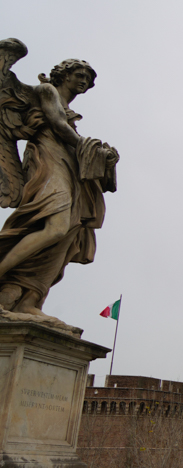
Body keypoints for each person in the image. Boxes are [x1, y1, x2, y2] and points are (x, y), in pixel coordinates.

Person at [0, 47, 120, 318]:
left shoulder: (70, 109)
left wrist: (104, 158)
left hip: (68, 166)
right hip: (47, 160)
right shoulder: (46, 92)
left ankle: (29, 299)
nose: (84, 81)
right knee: (55, 226)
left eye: (88, 79)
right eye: (79, 75)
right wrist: (93, 149)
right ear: (64, 75)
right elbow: (57, 125)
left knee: (68, 231)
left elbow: (70, 138)